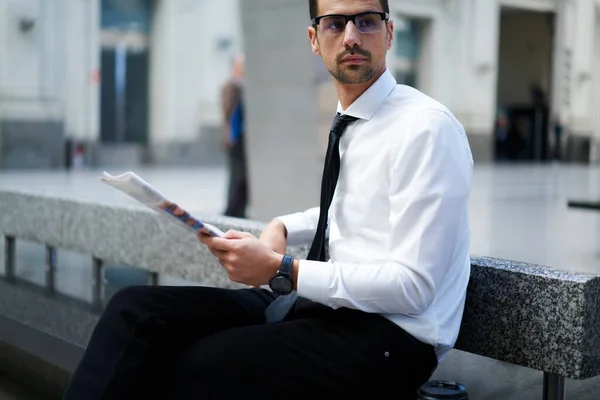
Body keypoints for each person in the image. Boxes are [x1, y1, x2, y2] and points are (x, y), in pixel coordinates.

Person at [62, 0, 473, 398]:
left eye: (366, 22)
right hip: (324, 305)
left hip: (392, 338)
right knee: (135, 309)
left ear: (389, 33)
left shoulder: (424, 128)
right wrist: (283, 226)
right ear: (314, 39)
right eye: (334, 24)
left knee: (198, 365)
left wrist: (284, 270)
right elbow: (358, 208)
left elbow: (414, 288)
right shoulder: (355, 120)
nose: (351, 37)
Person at [221, 54, 249, 218]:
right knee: (237, 177)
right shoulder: (231, 86)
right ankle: (232, 210)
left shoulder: (242, 86)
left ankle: (240, 209)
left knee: (243, 177)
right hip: (236, 140)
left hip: (243, 139)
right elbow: (229, 113)